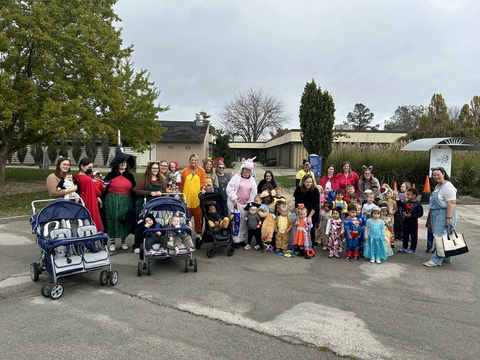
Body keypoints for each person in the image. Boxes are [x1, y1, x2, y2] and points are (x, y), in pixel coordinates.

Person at [132, 161, 169, 253]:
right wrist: (150, 193)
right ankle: (137, 244)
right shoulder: (144, 179)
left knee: (153, 223)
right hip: (143, 204)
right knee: (140, 224)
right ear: (149, 169)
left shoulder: (160, 179)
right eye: (153, 168)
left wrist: (161, 192)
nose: (155, 170)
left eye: (157, 168)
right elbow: (136, 190)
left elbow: (164, 191)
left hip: (155, 205)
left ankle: (153, 241)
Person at [104, 152, 136, 252]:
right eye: (121, 162)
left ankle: (123, 241)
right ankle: (112, 242)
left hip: (126, 201)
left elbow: (134, 189)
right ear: (117, 164)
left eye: (125, 163)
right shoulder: (110, 175)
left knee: (124, 220)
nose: (123, 164)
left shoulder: (130, 176)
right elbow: (103, 187)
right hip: (112, 201)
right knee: (112, 219)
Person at [180, 154, 207, 240]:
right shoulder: (184, 171)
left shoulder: (201, 170)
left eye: (195, 160)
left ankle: (199, 233)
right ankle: (186, 233)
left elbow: (204, 182)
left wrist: (203, 188)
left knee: (198, 217)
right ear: (189, 161)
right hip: (186, 198)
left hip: (197, 199)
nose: (193, 161)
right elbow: (181, 184)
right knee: (186, 217)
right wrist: (180, 196)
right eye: (192, 160)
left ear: (197, 161)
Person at [75, 158, 103, 231]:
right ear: (82, 166)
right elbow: (98, 193)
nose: (90, 169)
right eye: (89, 167)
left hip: (81, 201)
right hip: (90, 202)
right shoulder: (88, 179)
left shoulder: (76, 177)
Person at [293, 174, 320, 242]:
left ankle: (310, 246)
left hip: (312, 211)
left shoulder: (315, 190)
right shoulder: (299, 190)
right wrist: (298, 216)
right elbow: (296, 203)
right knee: (300, 228)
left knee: (310, 229)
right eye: (307, 182)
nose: (309, 184)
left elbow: (316, 204)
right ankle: (300, 244)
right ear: (303, 182)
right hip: (301, 211)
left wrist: (310, 216)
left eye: (310, 182)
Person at [399, 188, 423, 255]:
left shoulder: (418, 204)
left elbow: (420, 213)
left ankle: (413, 248)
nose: (407, 196)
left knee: (413, 235)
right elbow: (402, 209)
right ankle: (404, 247)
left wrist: (412, 216)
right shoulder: (405, 203)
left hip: (413, 222)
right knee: (405, 234)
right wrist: (403, 213)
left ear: (414, 195)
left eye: (409, 195)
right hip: (406, 221)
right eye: (407, 194)